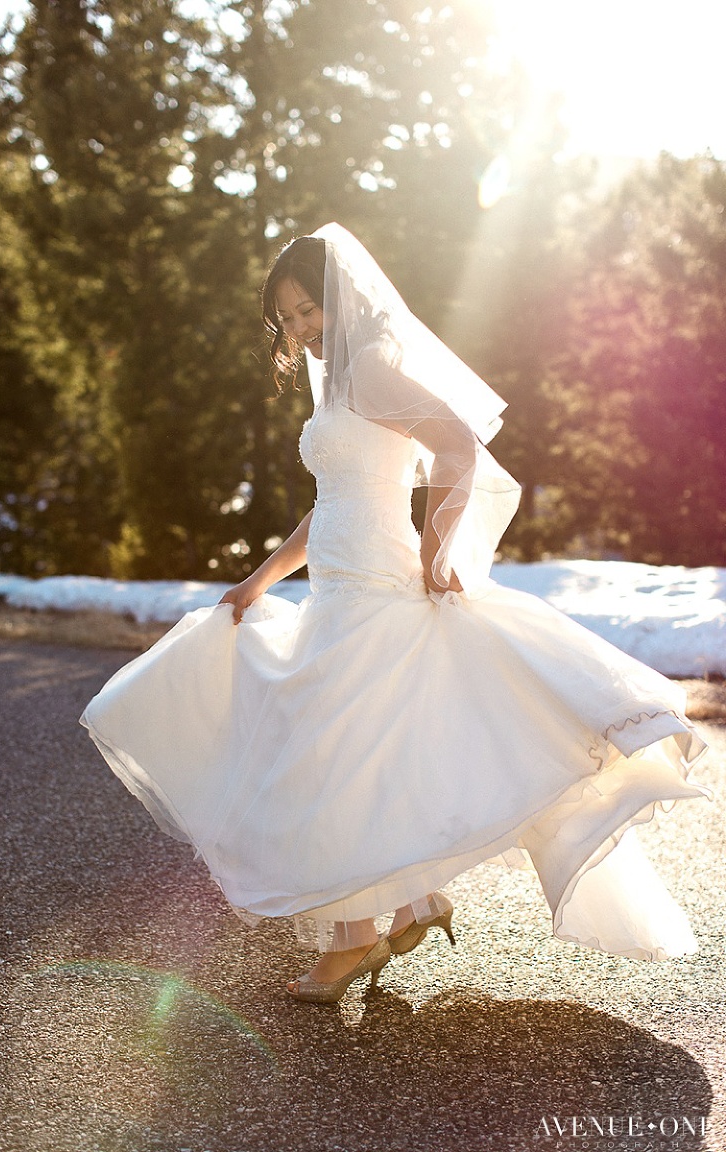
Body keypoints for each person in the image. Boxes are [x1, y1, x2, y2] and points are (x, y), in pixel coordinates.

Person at [81, 223, 708, 1005]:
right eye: (289, 320)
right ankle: (414, 901)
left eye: (310, 309)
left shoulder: (373, 368)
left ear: (342, 298)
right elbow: (331, 502)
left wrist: (439, 549)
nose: (302, 329)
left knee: (327, 750)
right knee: (354, 751)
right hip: (337, 586)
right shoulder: (340, 383)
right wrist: (259, 579)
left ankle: (354, 941)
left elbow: (459, 448)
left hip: (378, 581)